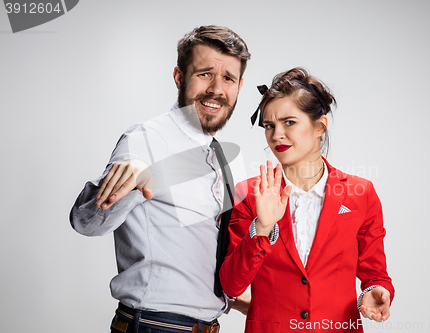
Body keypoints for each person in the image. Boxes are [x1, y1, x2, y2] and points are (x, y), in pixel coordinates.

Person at [70, 25, 251, 333]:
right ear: (179, 77)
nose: (217, 89)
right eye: (205, 74)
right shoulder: (145, 140)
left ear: (239, 85)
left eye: (228, 78)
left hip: (204, 325)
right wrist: (132, 181)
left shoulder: (224, 157)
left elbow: (205, 258)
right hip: (156, 326)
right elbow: (86, 223)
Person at [219, 67, 395, 332]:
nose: (276, 135)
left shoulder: (361, 193)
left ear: (319, 127)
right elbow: (231, 285)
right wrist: (263, 227)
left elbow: (375, 274)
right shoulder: (247, 194)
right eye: (269, 125)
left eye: (289, 122)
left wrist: (374, 292)